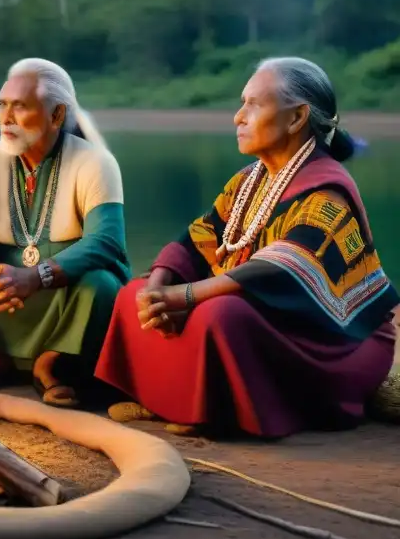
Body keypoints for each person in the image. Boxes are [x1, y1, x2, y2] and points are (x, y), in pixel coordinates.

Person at [96, 57, 398, 438]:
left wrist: (187, 295)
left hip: (335, 346)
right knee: (133, 296)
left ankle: (208, 409)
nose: (238, 117)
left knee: (219, 315)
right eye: (241, 104)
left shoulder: (328, 189)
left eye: (253, 105)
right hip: (264, 318)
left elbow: (283, 268)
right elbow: (196, 240)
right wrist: (160, 286)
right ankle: (169, 397)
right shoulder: (248, 180)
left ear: (296, 117)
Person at [0, 59, 131, 407]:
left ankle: (50, 364)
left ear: (57, 115)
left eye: (20, 106)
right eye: (2, 105)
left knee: (102, 284)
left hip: (59, 289)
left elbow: (105, 242)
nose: (6, 117)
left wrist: (36, 276)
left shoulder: (95, 162)